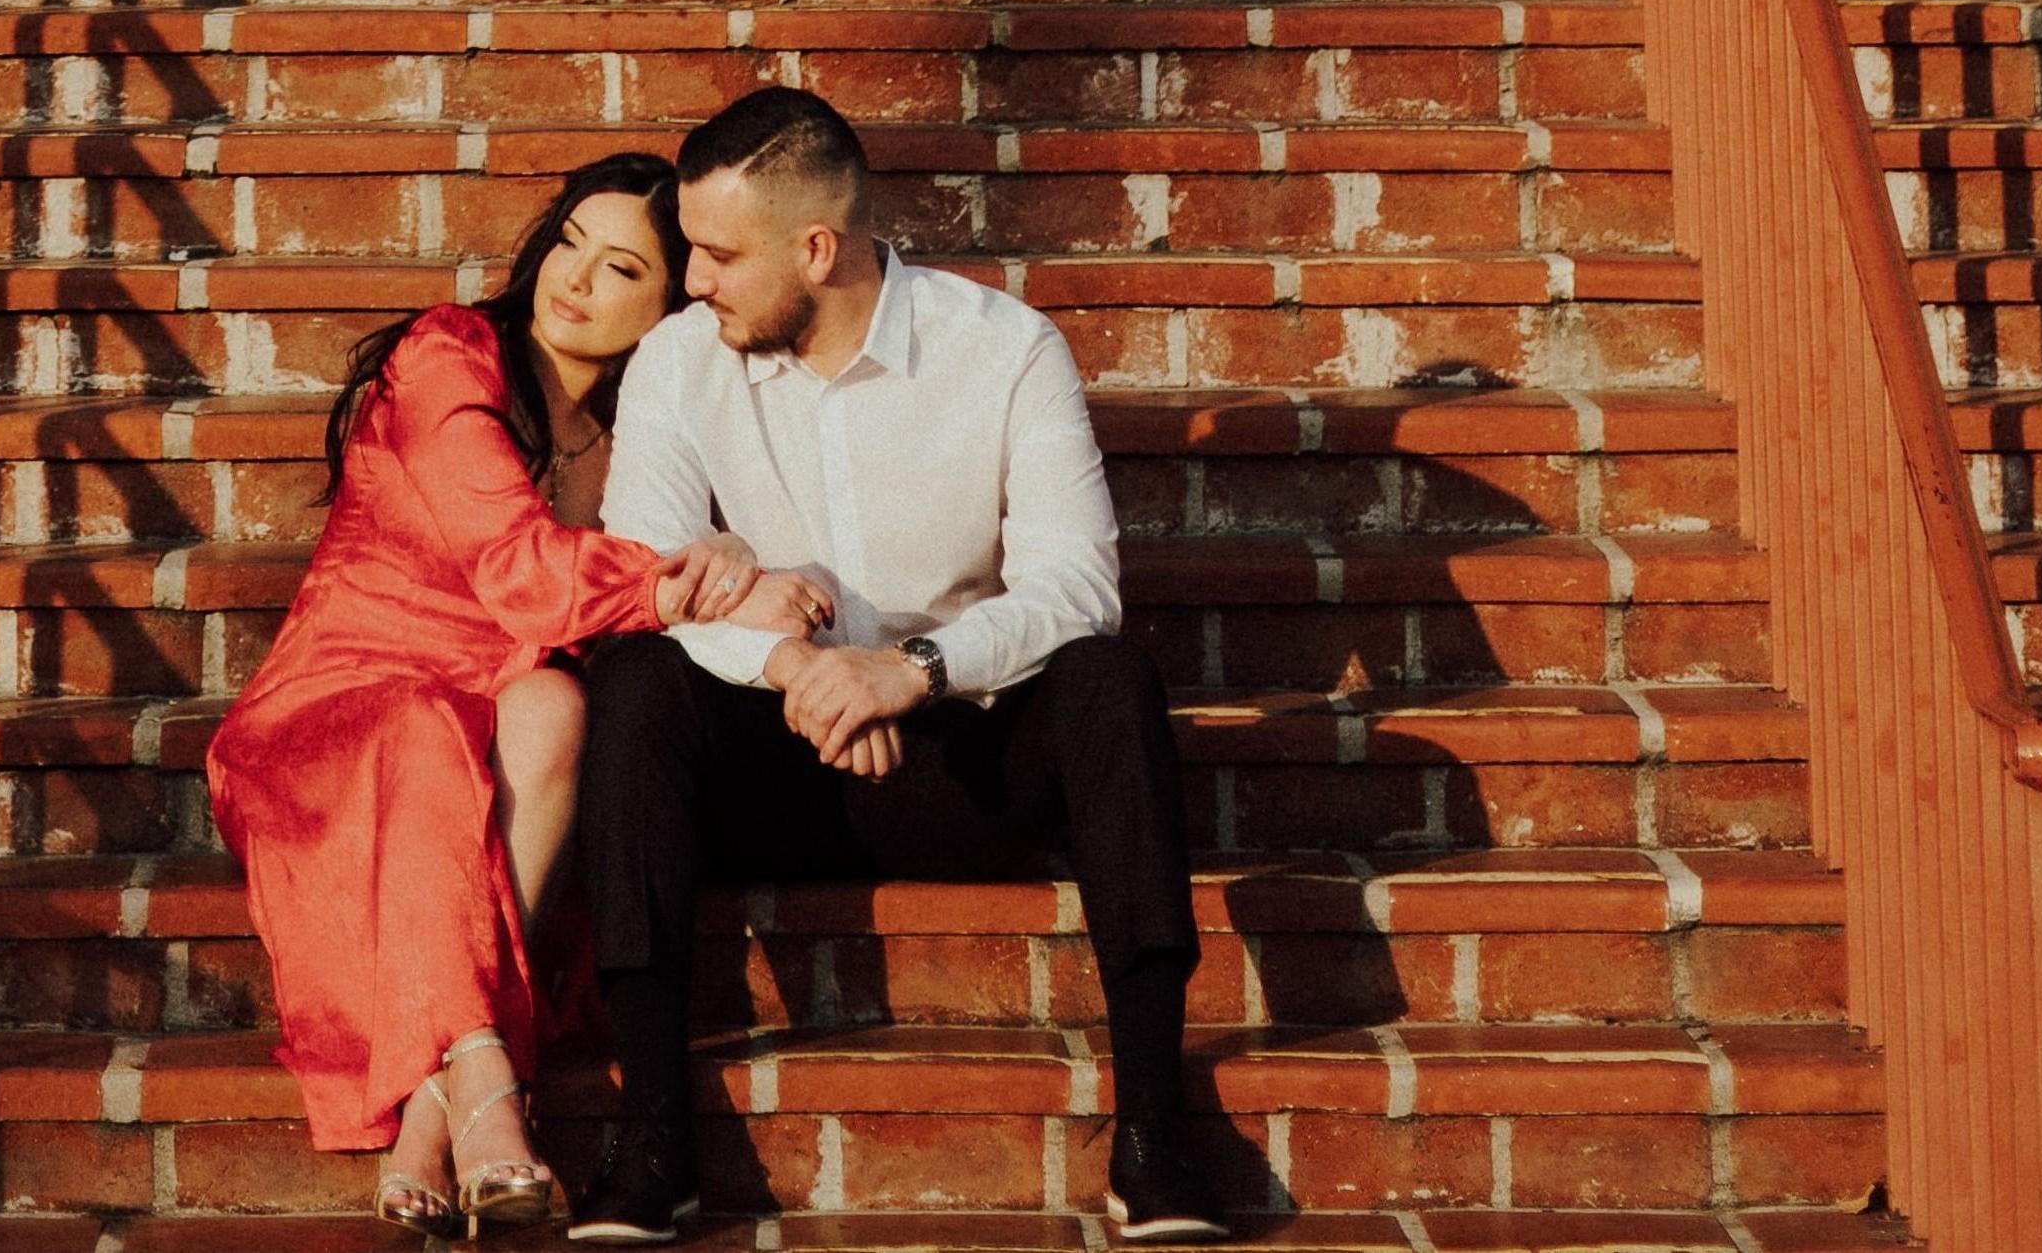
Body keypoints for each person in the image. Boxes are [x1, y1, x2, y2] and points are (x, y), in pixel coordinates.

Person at [561, 83, 1273, 1250]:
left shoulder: (1003, 347)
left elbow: (1074, 583)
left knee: (1109, 677)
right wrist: (792, 663)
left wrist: (911, 669)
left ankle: (1155, 1129)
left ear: (815, 246)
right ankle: (649, 1141)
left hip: (960, 764)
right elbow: (649, 572)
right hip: (769, 766)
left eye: (718, 254)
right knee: (633, 679)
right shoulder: (678, 360)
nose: (691, 280)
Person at [212, 150, 831, 1232]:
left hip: (493, 711)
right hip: (339, 704)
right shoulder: (450, 351)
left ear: (666, 306)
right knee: (424, 728)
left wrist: (733, 559)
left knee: (555, 705)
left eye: (621, 265)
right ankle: (486, 1073)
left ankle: (429, 1110)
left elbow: (713, 564)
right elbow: (518, 568)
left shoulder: (645, 427)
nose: (574, 277)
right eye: (569, 241)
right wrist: (688, 584)